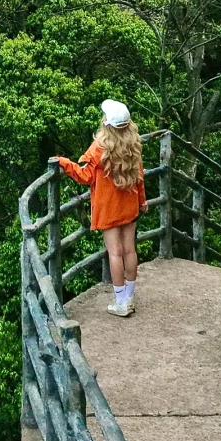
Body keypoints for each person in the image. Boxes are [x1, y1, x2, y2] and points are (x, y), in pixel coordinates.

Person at [56, 99, 147, 317]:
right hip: (129, 205)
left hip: (109, 208)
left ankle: (121, 302)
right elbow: (140, 178)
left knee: (114, 253)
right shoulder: (133, 144)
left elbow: (85, 175)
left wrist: (63, 163)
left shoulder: (100, 147)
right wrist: (142, 201)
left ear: (107, 123)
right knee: (129, 250)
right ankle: (130, 298)